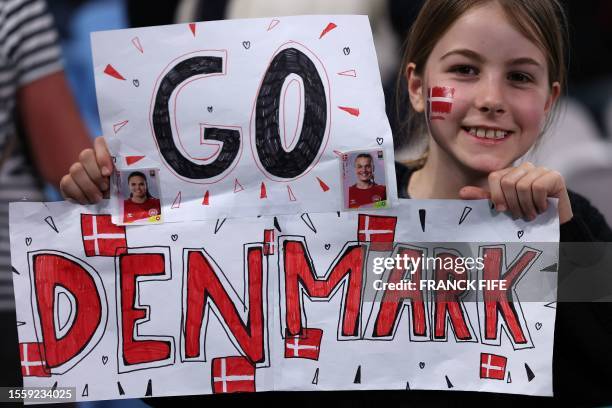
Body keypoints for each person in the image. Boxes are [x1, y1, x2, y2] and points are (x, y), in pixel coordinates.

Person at [61, 0, 612, 405]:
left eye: (520, 77)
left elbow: (599, 372)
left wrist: (562, 237)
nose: (491, 99)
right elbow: (191, 365)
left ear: (550, 98)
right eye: (464, 70)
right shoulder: (333, 214)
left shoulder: (571, 224)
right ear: (417, 86)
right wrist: (129, 221)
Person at [0, 0, 92, 388]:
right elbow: (70, 166)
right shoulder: (13, 9)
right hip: (17, 304)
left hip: (17, 302)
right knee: (38, 399)